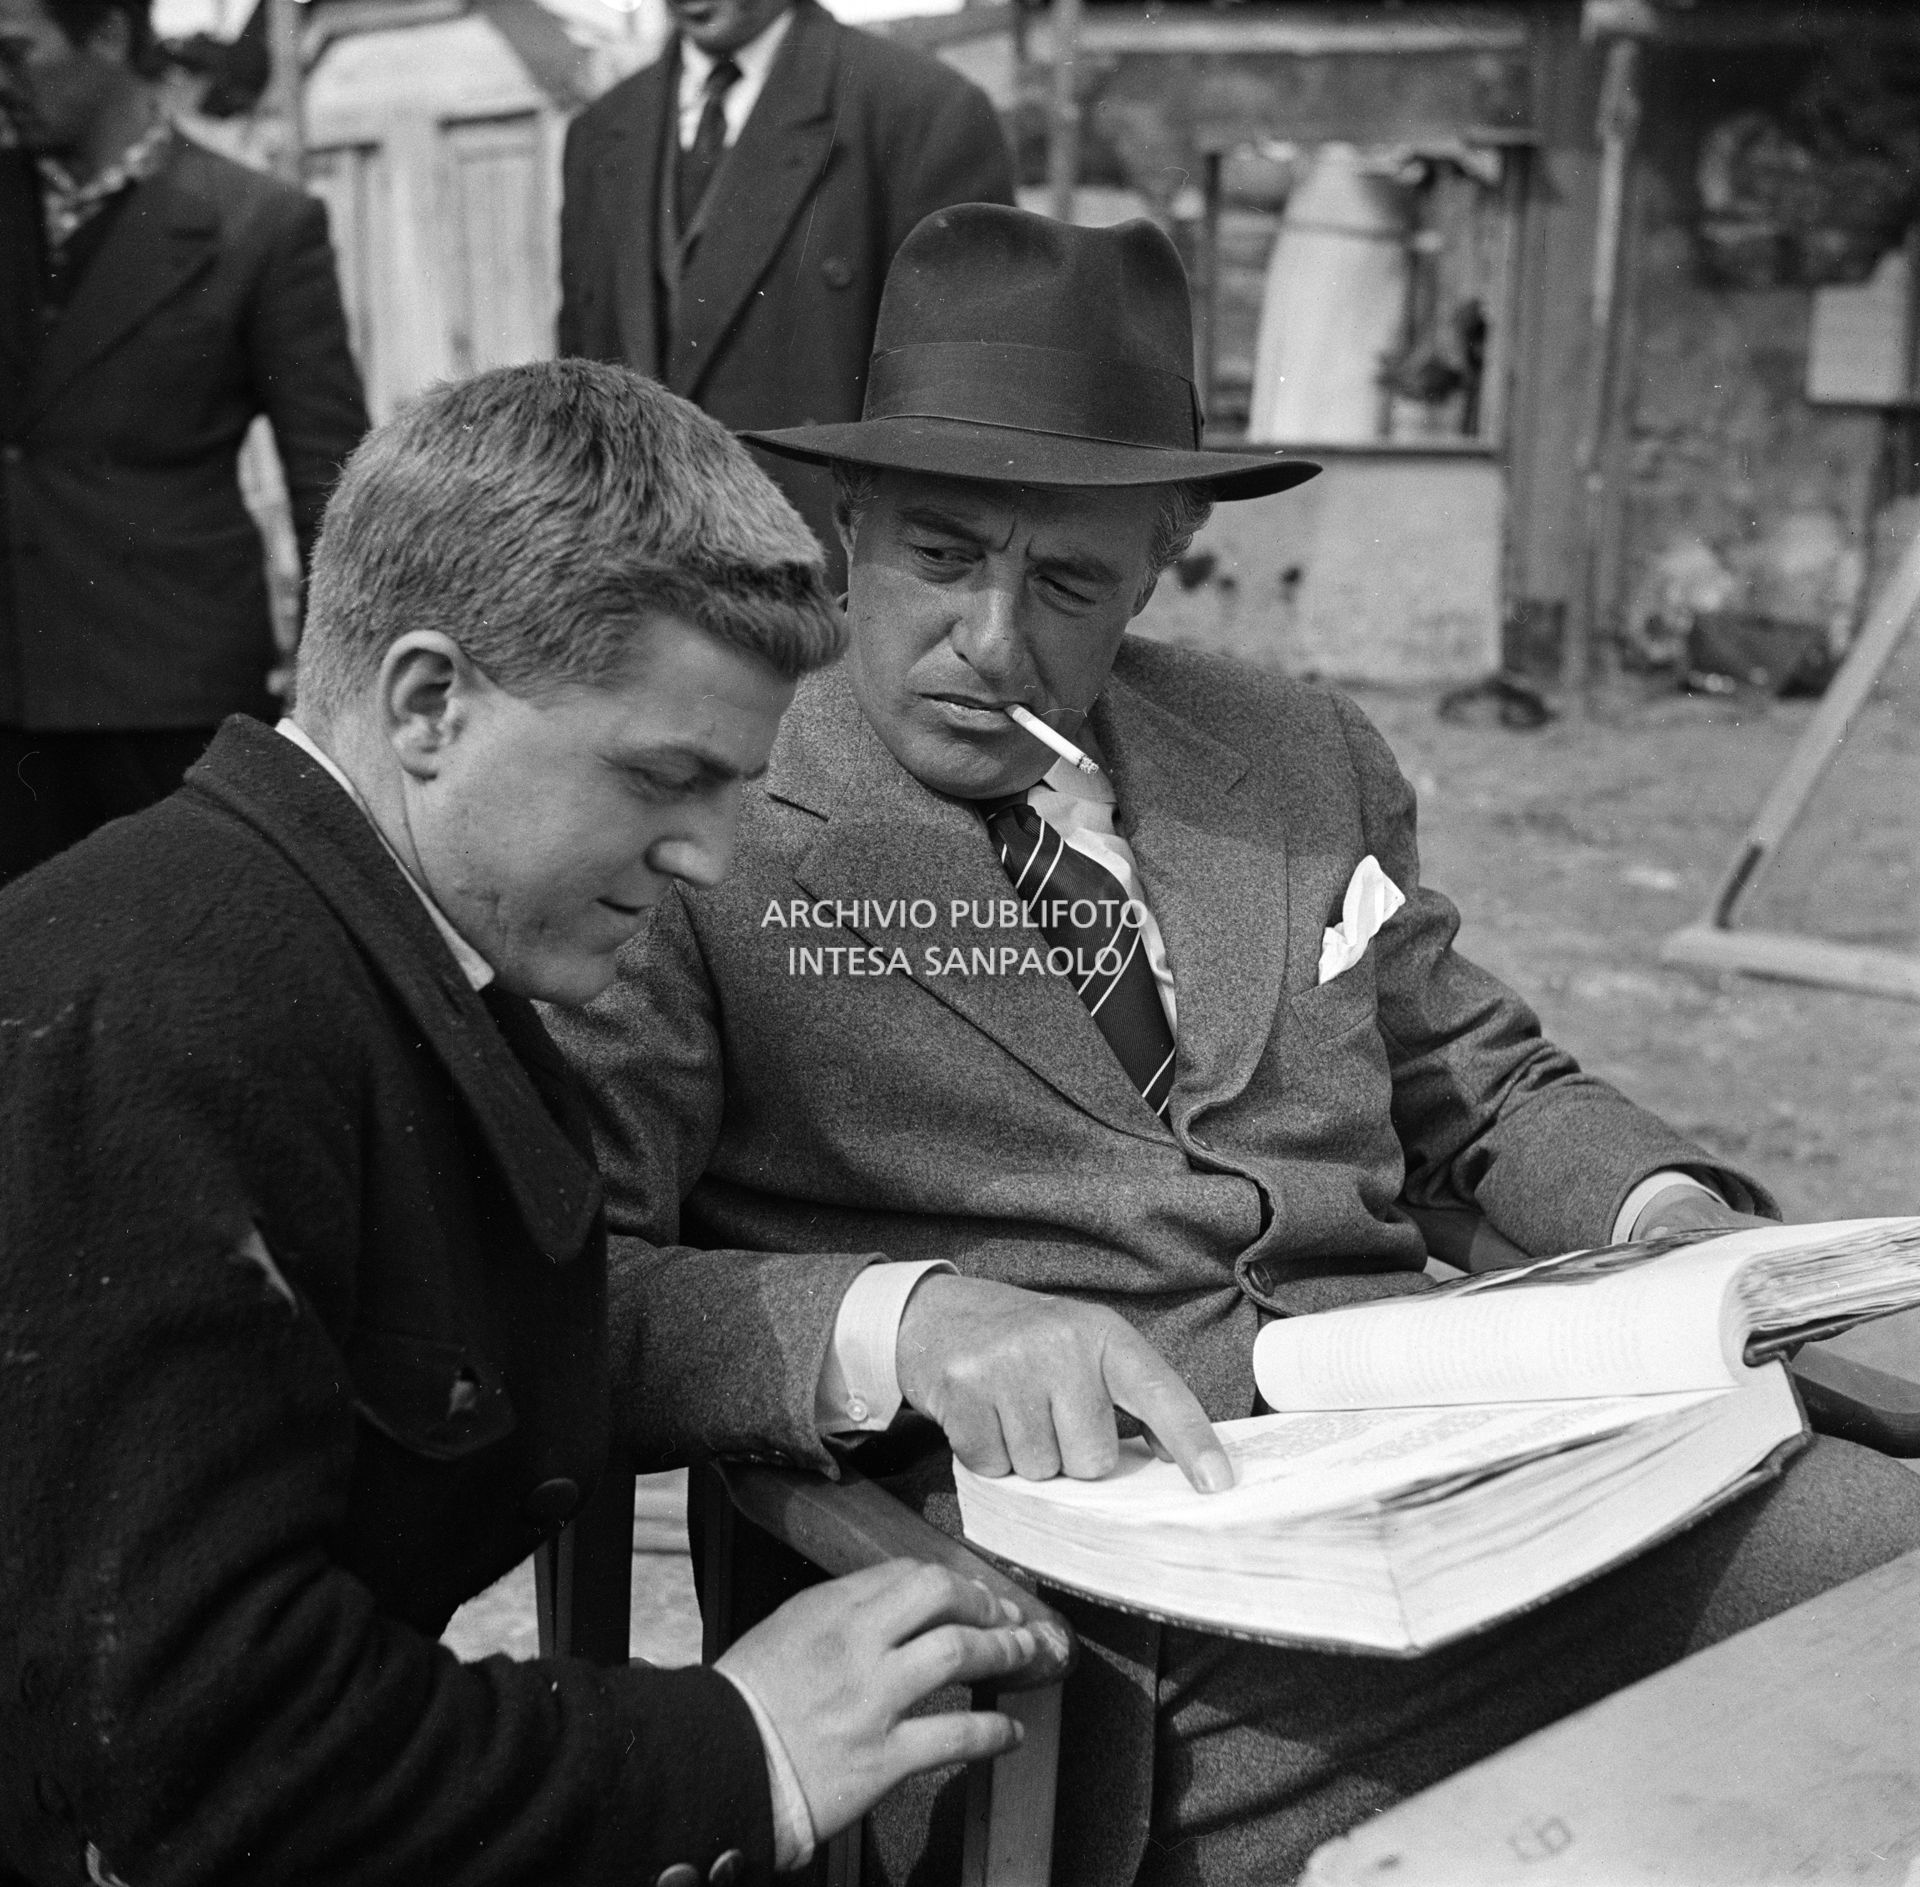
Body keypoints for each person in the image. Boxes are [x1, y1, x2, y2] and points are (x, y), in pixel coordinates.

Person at [549, 207, 1920, 1886]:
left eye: (1066, 582)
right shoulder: (710, 809)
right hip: (1102, 1624)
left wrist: (1675, 1232)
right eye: (938, 552)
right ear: (847, 525)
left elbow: (1477, 1089)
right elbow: (569, 1281)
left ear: (1167, 551)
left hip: (1490, 1488)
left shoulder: (1291, 746)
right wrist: (901, 1318)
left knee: (1891, 1557)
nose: (992, 636)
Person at [0, 360, 1042, 1887]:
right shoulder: (164, 1025)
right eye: (664, 774)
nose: (704, 857)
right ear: (428, 703)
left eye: (737, 788)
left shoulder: (342, 947)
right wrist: (732, 1746)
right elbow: (176, 1764)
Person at [0, 0, 368, 890]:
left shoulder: (259, 225)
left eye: (17, 54)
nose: (0, 84)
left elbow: (333, 481)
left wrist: (326, 714)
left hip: (165, 697)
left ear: (111, 38)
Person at [556, 0, 1013, 581]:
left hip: (825, 585)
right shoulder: (600, 133)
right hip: (640, 580)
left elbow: (962, 414)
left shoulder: (924, 112)